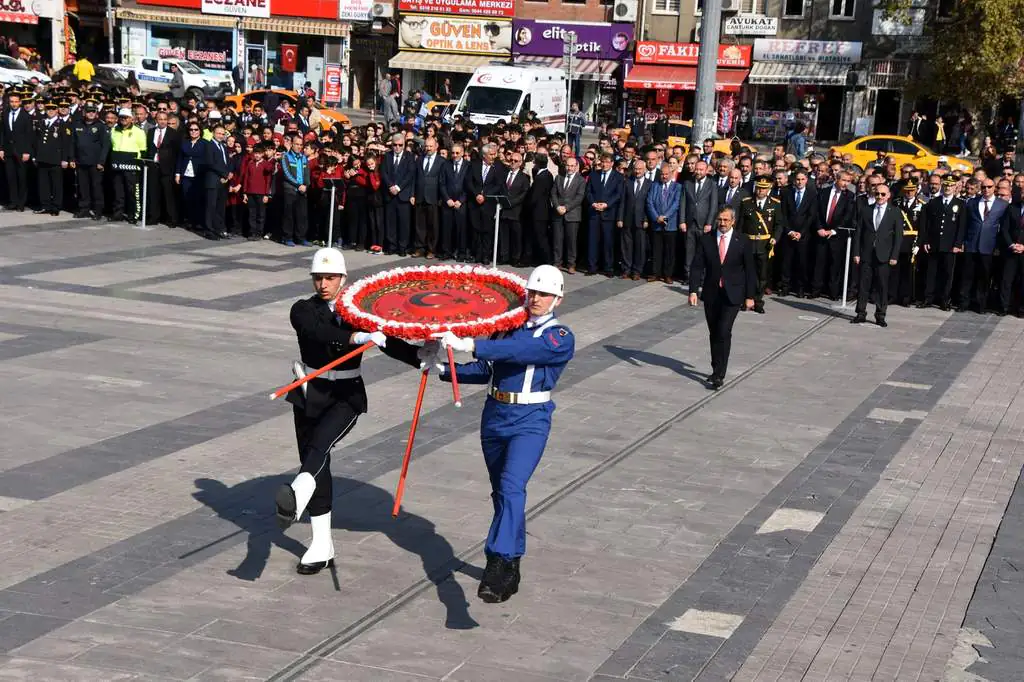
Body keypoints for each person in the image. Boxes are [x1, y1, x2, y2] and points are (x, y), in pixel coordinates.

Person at [276, 248, 426, 574]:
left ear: (344, 279)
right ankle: (321, 544)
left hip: (345, 395)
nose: (323, 284)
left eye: (330, 278)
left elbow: (388, 341)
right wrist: (357, 335)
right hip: (309, 391)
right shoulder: (302, 309)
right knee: (317, 462)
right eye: (318, 278)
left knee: (320, 447)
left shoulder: (358, 311)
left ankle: (299, 489)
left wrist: (421, 357)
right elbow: (319, 332)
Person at [434, 264, 575, 603]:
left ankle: (496, 561)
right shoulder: (506, 329)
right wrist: (442, 367)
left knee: (513, 487)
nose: (537, 298)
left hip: (530, 419)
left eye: (544, 294)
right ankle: (511, 565)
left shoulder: (559, 336)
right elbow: (486, 369)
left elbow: (524, 352)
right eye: (533, 292)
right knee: (502, 493)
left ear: (558, 299)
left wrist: (472, 343)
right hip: (495, 414)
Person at [688, 206, 756, 389]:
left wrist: (750, 296)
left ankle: (719, 374)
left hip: (733, 294)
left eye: (726, 220)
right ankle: (715, 367)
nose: (722, 223)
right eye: (720, 220)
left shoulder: (742, 241)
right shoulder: (707, 240)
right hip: (712, 293)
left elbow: (750, 270)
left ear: (733, 221)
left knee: (724, 331)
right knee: (714, 332)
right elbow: (696, 266)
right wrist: (693, 290)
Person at [852, 183, 902, 327]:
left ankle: (880, 315)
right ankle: (860, 313)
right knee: (863, 285)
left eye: (883, 194)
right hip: (867, 253)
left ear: (888, 196)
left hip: (884, 255)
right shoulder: (866, 210)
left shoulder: (895, 212)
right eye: (877, 194)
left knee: (882, 286)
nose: (879, 197)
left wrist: (894, 256)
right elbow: (859, 233)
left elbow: (898, 237)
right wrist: (856, 252)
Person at [918, 176, 966, 310]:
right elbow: (927, 224)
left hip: (950, 245)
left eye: (950, 186)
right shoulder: (934, 202)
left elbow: (961, 226)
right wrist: (926, 240)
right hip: (934, 243)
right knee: (931, 272)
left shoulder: (960, 204)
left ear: (955, 187)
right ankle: (928, 298)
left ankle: (945, 300)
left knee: (947, 274)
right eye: (945, 185)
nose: (948, 188)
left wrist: (957, 244)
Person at [738, 177, 783, 313]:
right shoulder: (746, 203)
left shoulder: (775, 204)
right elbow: (740, 224)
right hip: (749, 243)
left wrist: (775, 238)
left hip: (764, 245)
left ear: (768, 189)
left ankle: (758, 301)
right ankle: (746, 299)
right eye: (759, 188)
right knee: (747, 273)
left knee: (762, 276)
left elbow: (779, 224)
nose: (760, 191)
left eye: (764, 188)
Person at [584, 152, 623, 276]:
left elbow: (618, 194)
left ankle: (608, 268)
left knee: (608, 242)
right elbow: (588, 191)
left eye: (607, 162)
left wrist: (607, 204)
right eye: (603, 162)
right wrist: (593, 203)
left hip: (609, 214)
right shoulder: (594, 174)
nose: (605, 164)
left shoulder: (618, 176)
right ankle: (592, 267)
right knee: (593, 241)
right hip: (594, 212)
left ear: (612, 163)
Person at [70, 99, 110, 220]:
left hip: (95, 163)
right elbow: (72, 143)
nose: (91, 114)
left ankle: (98, 211)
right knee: (83, 187)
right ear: (84, 112)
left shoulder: (101, 126)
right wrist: (72, 158)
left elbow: (105, 145)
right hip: (81, 162)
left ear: (96, 113)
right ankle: (84, 209)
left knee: (96, 187)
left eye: (93, 112)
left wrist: (101, 162)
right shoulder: (77, 124)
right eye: (88, 112)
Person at [646, 162, 683, 283]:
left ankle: (668, 274)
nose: (664, 176)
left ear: (671, 174)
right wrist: (657, 217)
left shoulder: (677, 187)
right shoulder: (654, 185)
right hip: (656, 223)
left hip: (670, 224)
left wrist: (665, 217)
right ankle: (655, 273)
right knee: (656, 250)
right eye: (662, 174)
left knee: (669, 251)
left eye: (667, 174)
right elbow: (649, 202)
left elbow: (676, 204)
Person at [33, 100, 72, 216]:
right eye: (48, 109)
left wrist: (65, 159)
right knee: (43, 184)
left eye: (53, 109)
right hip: (42, 158)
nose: (50, 111)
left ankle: (56, 206)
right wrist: (35, 156)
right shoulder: (41, 122)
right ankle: (45, 205)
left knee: (56, 184)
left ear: (57, 110)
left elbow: (66, 143)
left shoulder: (62, 124)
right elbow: (36, 141)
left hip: (56, 159)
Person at [617, 159, 651, 281]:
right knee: (626, 246)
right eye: (636, 169)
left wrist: (647, 219)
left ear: (645, 169)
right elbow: (622, 202)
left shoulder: (649, 184)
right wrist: (620, 218)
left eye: (640, 169)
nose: (637, 171)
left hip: (641, 220)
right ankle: (626, 269)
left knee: (640, 247)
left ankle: (637, 271)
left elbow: (649, 204)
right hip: (627, 219)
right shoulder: (628, 182)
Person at [550, 155, 585, 273]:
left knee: (571, 241)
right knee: (557, 240)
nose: (569, 168)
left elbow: (579, 197)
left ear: (576, 167)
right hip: (558, 213)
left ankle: (571, 264)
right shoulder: (559, 177)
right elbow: (553, 194)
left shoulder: (580, 180)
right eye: (568, 165)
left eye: (572, 166)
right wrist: (557, 206)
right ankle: (557, 262)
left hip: (572, 214)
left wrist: (566, 207)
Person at [1, 90, 34, 212]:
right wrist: (1, 149)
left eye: (16, 102)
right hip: (9, 151)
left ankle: (21, 203)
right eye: (11, 102)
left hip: (21, 151)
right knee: (11, 177)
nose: (14, 104)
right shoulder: (5, 114)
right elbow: (3, 133)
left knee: (22, 178)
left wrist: (27, 151)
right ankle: (13, 201)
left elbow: (29, 135)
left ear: (20, 102)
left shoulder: (26, 116)